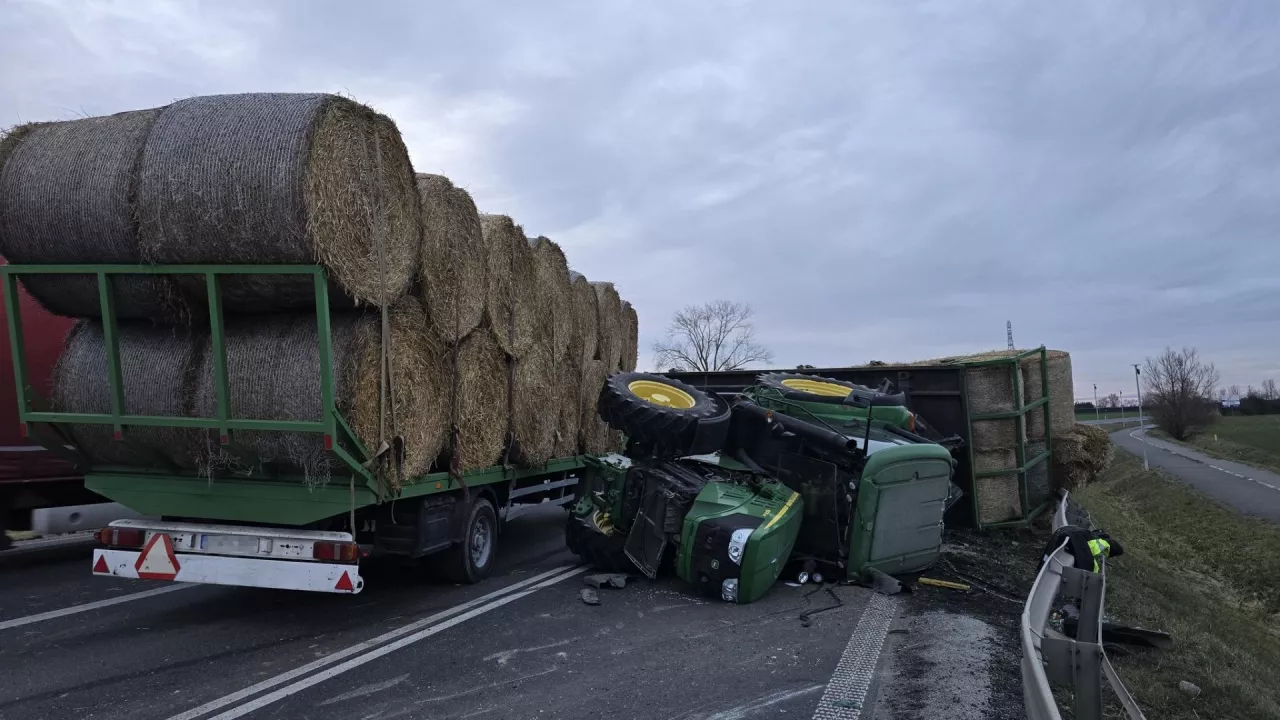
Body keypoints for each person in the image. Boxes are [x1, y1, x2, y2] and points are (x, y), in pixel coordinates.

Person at [1039, 525, 1124, 573]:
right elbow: (1087, 554)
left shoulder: (1098, 537)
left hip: (1063, 531)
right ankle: (1041, 572)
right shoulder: (1104, 545)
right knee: (1048, 563)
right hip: (1068, 536)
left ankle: (1040, 570)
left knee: (1047, 558)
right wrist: (1094, 572)